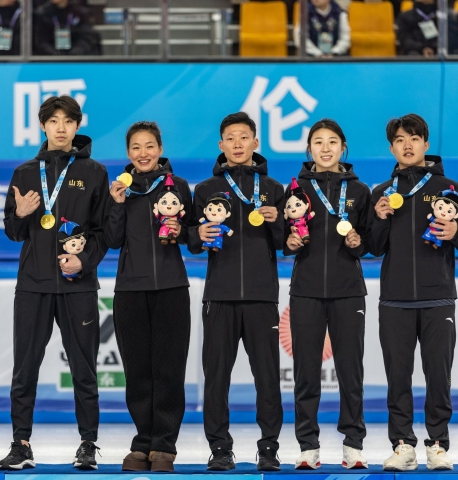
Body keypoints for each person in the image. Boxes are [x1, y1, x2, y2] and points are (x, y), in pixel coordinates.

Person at [0, 95, 109, 470]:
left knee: (84, 368)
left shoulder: (94, 172)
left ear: (77, 126)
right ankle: (21, 443)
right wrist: (20, 214)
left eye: (68, 121)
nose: (60, 128)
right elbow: (13, 232)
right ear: (43, 126)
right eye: (53, 121)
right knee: (25, 368)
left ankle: (88, 444)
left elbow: (103, 232)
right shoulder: (25, 173)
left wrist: (84, 261)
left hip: (78, 285)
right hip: (33, 284)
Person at [367, 113, 458, 471]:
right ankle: (402, 445)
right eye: (400, 140)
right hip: (394, 300)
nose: (407, 145)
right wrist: (379, 218)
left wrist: (456, 232)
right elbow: (374, 247)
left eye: (414, 138)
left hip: (437, 298)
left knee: (438, 376)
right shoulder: (382, 193)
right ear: (392, 148)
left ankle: (438, 444)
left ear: (426, 144)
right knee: (398, 377)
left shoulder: (448, 188)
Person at [187, 112, 285, 472]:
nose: (238, 144)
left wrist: (278, 223)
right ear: (221, 145)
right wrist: (198, 234)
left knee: (267, 377)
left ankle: (269, 447)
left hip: (261, 296)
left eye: (244, 137)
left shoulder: (274, 189)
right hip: (220, 295)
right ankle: (219, 448)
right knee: (216, 378)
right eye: (230, 138)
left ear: (256, 143)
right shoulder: (204, 189)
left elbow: (286, 243)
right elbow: (192, 240)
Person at [105, 121, 193, 473]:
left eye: (149, 146)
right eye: (136, 147)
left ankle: (164, 445)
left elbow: (193, 234)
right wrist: (116, 204)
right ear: (128, 153)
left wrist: (182, 230)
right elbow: (112, 239)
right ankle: (143, 441)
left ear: (160, 149)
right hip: (129, 288)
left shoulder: (178, 186)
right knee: (138, 371)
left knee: (169, 369)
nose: (143, 153)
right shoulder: (120, 188)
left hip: (171, 288)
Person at [284, 119, 370, 470]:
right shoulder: (294, 189)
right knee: (306, 372)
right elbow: (283, 235)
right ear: (309, 149)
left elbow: (369, 240)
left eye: (332, 141)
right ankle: (308, 446)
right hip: (305, 290)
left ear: (343, 147)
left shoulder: (360, 191)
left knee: (351, 372)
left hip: (348, 291)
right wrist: (289, 243)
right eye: (318, 142)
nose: (325, 148)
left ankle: (353, 444)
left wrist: (358, 242)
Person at [33, 0, 101, 56]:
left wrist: (74, 54)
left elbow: (87, 37)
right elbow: (41, 41)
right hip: (51, 60)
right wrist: (56, 55)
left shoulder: (80, 13)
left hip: (77, 58)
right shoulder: (42, 14)